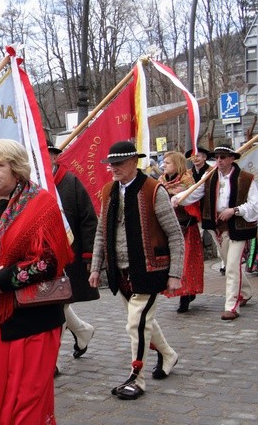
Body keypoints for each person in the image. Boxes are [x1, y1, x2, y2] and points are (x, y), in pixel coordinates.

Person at [0, 139, 73, 423]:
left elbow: (49, 260)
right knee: (5, 395)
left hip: (36, 317)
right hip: (0, 319)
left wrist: (2, 281)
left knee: (28, 400)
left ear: (16, 168)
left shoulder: (40, 202)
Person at [89, 141, 183, 400]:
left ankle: (136, 378)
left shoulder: (154, 190)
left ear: (134, 161)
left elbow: (175, 234)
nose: (113, 168)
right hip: (120, 272)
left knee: (135, 324)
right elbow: (100, 232)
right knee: (142, 322)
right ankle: (167, 354)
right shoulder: (108, 191)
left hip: (150, 270)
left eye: (118, 163)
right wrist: (96, 267)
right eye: (110, 164)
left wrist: (175, 274)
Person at [174, 144, 258, 321]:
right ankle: (245, 291)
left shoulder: (245, 179)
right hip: (216, 227)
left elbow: (256, 206)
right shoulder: (210, 176)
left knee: (231, 266)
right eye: (217, 157)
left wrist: (235, 210)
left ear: (232, 159)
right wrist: (177, 199)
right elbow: (195, 193)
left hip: (236, 227)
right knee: (231, 264)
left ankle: (231, 306)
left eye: (223, 157)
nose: (219, 160)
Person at [48, 140, 97, 360]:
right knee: (54, 303)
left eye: (47, 154)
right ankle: (82, 331)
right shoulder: (31, 184)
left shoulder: (70, 182)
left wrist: (89, 255)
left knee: (56, 305)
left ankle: (52, 360)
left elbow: (88, 219)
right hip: (43, 257)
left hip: (70, 254)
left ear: (55, 157)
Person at [158, 151, 204, 313]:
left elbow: (192, 203)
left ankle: (186, 295)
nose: (164, 165)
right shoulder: (161, 182)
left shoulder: (188, 182)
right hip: (169, 229)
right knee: (172, 263)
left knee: (186, 264)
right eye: (164, 162)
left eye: (168, 163)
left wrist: (177, 199)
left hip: (186, 228)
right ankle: (182, 292)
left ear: (177, 164)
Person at [186, 146, 225, 274]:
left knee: (216, 236)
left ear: (204, 157)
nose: (195, 158)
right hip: (193, 211)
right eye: (193, 156)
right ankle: (195, 263)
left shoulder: (212, 171)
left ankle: (224, 261)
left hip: (208, 209)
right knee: (196, 236)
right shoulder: (188, 174)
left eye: (198, 155)